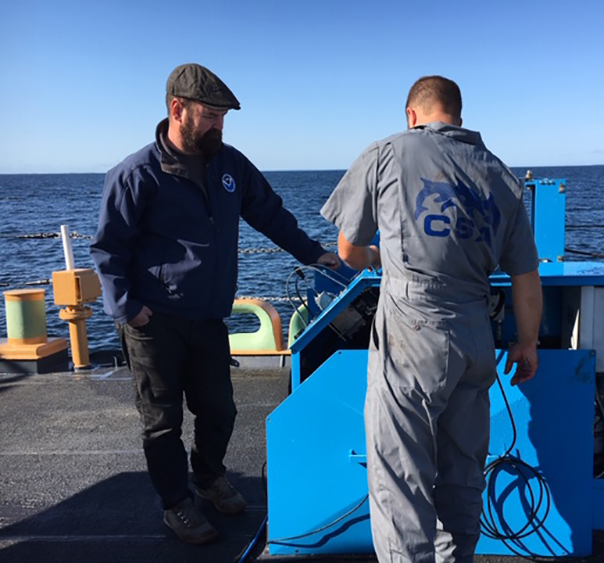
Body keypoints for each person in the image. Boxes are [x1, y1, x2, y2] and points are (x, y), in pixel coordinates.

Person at [90, 63, 339, 545]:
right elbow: (108, 248)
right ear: (177, 109)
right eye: (210, 115)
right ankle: (176, 505)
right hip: (153, 320)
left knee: (220, 410)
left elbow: (270, 214)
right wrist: (127, 308)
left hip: (207, 315)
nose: (219, 126)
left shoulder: (230, 165)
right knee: (162, 421)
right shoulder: (136, 173)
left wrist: (314, 253)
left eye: (224, 117)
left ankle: (208, 477)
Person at [321, 75, 542, 562]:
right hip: (476, 338)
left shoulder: (387, 152)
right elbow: (526, 276)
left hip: (412, 334)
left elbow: (349, 252)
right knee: (462, 474)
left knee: (401, 480)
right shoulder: (502, 176)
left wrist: (381, 255)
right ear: (458, 118)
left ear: (411, 115)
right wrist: (527, 344)